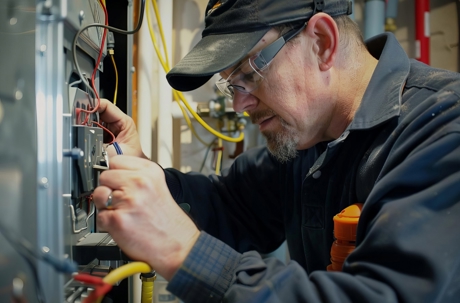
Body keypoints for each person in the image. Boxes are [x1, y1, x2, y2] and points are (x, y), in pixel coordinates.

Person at [92, 0, 460, 302]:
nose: (239, 105)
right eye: (231, 85)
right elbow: (231, 208)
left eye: (249, 75)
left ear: (322, 42)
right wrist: (139, 173)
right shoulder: (308, 139)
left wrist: (184, 253)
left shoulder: (443, 128)